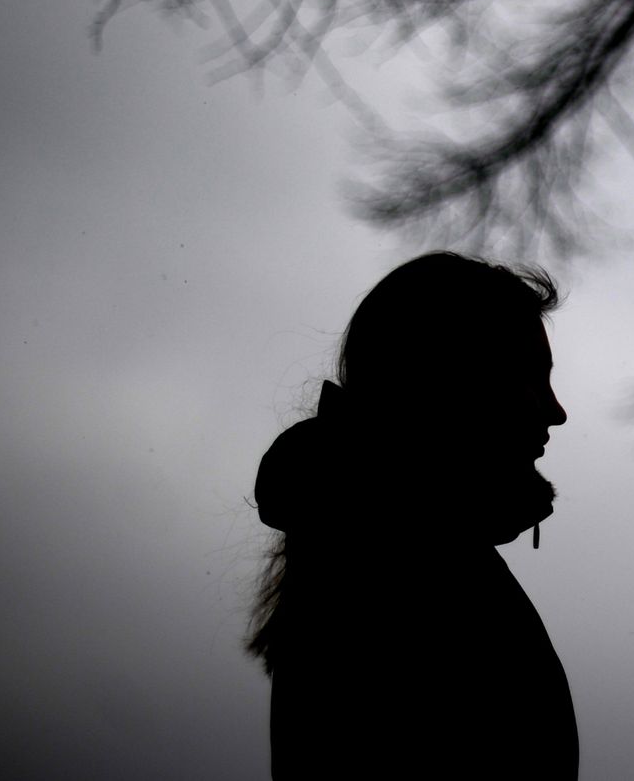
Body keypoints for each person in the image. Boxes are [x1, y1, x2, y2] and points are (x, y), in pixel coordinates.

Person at [247, 252, 577, 778]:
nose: (556, 411)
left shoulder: (381, 541)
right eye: (532, 378)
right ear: (456, 379)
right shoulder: (403, 566)